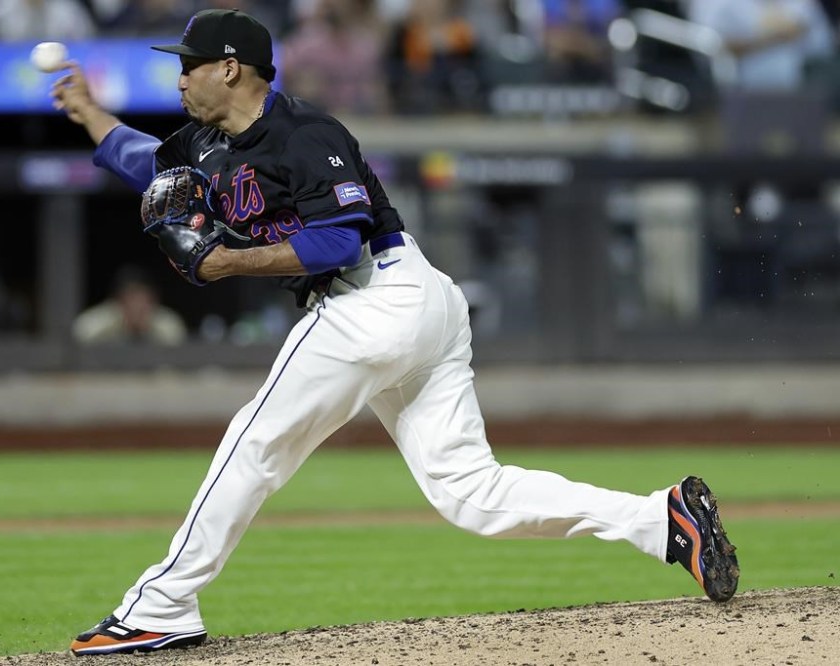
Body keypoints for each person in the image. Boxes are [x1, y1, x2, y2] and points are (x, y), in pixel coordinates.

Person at [50, 8, 739, 656]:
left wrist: (227, 261)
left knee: (254, 443)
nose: (179, 79)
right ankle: (660, 521)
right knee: (472, 494)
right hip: (410, 307)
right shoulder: (205, 142)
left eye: (190, 65)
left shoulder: (304, 134)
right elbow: (150, 164)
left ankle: (162, 606)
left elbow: (337, 241)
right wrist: (90, 114)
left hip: (376, 294)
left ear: (231, 69)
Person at [688, 0, 835, 90]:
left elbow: (822, 44)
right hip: (738, 85)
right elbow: (712, 46)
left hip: (799, 84)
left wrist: (790, 32)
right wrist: (774, 38)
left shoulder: (801, 3)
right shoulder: (716, 3)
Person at [72, 265, 188, 345]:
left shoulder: (165, 323)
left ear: (153, 300)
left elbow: (178, 341)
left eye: (142, 299)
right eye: (131, 298)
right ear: (119, 300)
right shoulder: (107, 319)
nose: (137, 306)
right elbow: (80, 333)